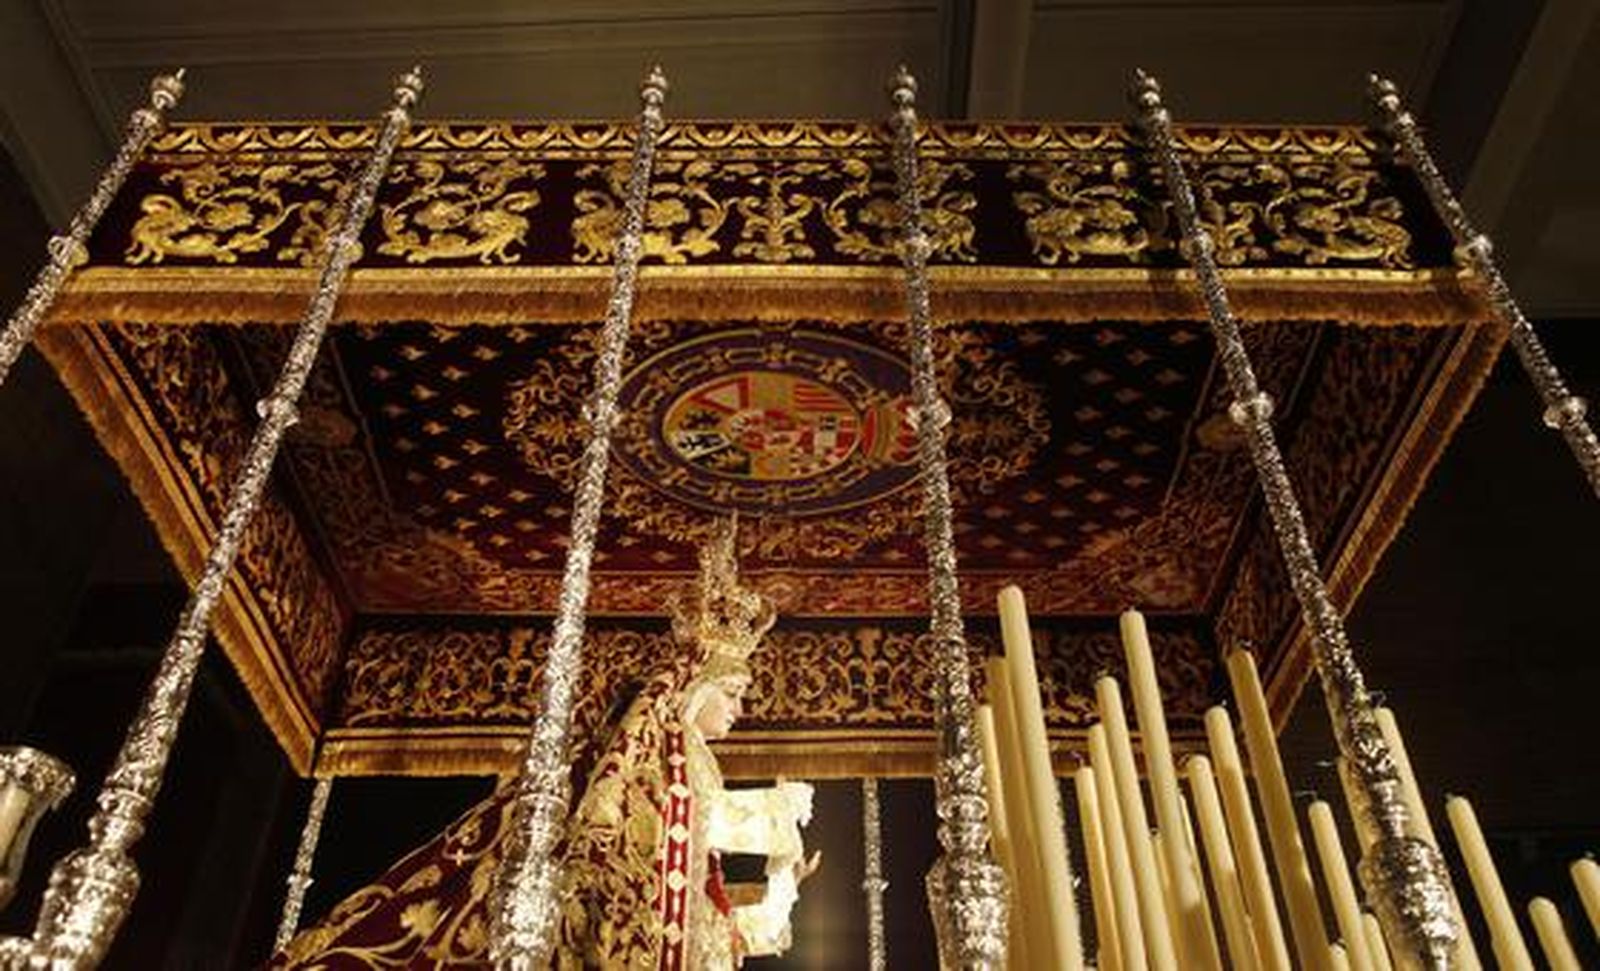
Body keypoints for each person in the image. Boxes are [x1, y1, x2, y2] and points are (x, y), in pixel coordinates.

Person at [269, 519, 817, 969]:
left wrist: (781, 887)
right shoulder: (664, 749)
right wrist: (775, 812)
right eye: (733, 693)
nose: (740, 711)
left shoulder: (690, 771)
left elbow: (710, 927)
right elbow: (681, 816)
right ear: (696, 689)